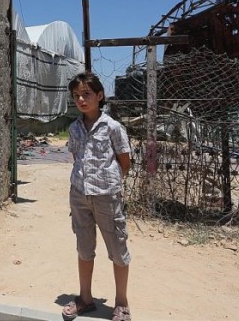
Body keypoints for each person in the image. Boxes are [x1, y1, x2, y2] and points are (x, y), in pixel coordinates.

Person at [62, 72, 132, 321]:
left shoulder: (113, 127)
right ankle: (85, 298)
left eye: (86, 94)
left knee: (117, 248)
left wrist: (108, 184)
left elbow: (125, 161)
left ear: (99, 96)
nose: (81, 99)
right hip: (79, 196)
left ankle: (121, 303)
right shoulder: (74, 128)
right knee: (84, 248)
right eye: (76, 95)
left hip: (107, 197)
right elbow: (77, 158)